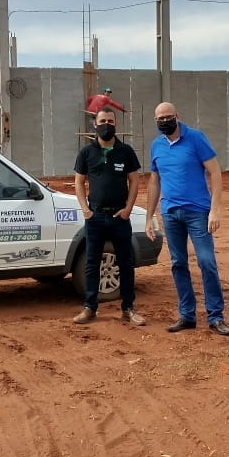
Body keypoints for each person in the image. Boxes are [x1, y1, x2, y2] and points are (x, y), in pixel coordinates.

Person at [144, 102, 229, 335]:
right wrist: (149, 215)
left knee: (206, 262)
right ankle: (187, 315)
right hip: (170, 213)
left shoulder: (195, 138)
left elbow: (214, 172)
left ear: (177, 116)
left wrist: (215, 209)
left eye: (168, 117)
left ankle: (215, 316)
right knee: (178, 264)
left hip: (198, 212)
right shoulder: (156, 146)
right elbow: (154, 181)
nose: (164, 121)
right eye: (159, 118)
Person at [72, 107, 144, 326]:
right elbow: (79, 182)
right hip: (95, 218)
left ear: (116, 124)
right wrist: (85, 209)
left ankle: (128, 308)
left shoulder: (126, 151)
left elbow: (134, 181)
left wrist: (128, 209)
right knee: (92, 263)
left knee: (126, 263)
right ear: (95, 124)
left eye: (110, 121)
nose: (106, 125)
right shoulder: (86, 152)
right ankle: (90, 308)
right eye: (102, 121)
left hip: (119, 217)